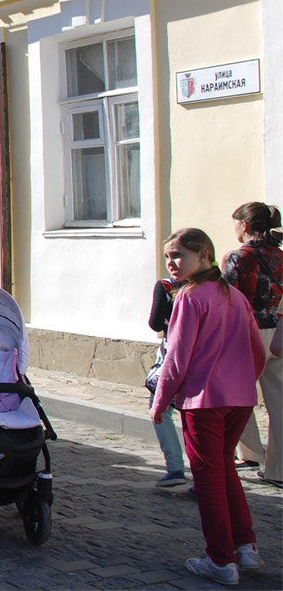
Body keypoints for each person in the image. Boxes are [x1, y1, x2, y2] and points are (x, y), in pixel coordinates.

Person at [151, 228, 267, 586]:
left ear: (203, 255)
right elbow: (258, 352)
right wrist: (242, 383)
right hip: (239, 399)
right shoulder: (235, 296)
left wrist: (161, 400)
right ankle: (245, 546)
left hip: (204, 402)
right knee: (225, 469)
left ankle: (220, 559)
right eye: (168, 256)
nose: (171, 262)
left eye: (178, 255)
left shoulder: (190, 297)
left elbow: (177, 356)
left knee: (208, 479)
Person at [222, 202, 282, 487]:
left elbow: (227, 301)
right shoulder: (280, 256)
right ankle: (278, 471)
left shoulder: (237, 257)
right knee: (280, 404)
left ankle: (250, 454)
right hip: (279, 331)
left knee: (238, 395)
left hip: (248, 332)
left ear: (244, 225)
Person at [147, 278, 188, 488]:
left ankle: (175, 467)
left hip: (172, 354)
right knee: (195, 416)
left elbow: (155, 323)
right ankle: (204, 471)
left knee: (161, 411)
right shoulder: (216, 285)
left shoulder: (166, 286)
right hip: (206, 359)